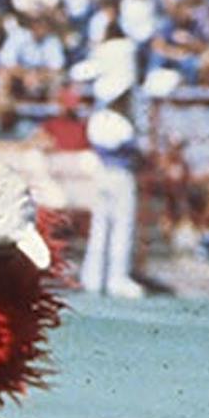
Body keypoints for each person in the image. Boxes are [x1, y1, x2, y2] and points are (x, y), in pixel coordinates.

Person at [81, 70, 144, 298]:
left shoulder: (96, 119)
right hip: (119, 174)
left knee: (100, 227)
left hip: (101, 174)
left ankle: (93, 277)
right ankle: (117, 278)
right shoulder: (119, 122)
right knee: (121, 226)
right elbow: (130, 149)